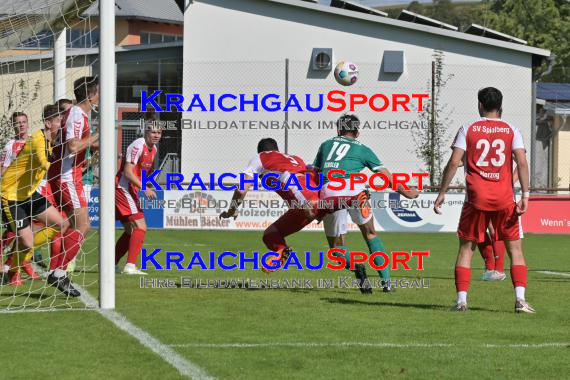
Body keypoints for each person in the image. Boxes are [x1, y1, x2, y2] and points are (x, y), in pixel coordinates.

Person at [434, 87, 534, 313]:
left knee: (466, 249)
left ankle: (461, 301)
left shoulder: (467, 128)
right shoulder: (512, 129)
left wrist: (442, 192)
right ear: (501, 107)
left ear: (480, 105)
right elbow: (522, 163)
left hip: (475, 199)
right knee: (515, 250)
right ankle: (520, 300)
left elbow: (453, 163)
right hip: (505, 198)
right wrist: (526, 195)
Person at [313, 114, 419, 293]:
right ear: (357, 132)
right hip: (356, 189)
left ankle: (357, 266)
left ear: (338, 130)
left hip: (331, 191)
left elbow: (314, 175)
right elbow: (385, 175)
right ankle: (387, 283)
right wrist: (407, 192)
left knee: (336, 248)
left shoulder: (325, 145)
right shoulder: (363, 149)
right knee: (370, 234)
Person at [0, 104, 80, 296]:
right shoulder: (37, 140)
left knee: (62, 224)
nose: (64, 126)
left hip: (29, 193)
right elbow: (46, 163)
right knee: (25, 241)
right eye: (61, 122)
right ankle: (13, 266)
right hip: (11, 196)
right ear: (48, 123)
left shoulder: (51, 140)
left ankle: (16, 265)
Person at [219, 138, 326, 274]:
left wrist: (231, 210)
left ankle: (355, 199)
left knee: (316, 209)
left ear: (260, 151)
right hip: (302, 201)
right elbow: (314, 171)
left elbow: (241, 189)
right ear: (277, 150)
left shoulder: (260, 158)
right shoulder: (295, 158)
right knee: (270, 235)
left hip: (301, 190)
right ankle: (282, 250)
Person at [47, 77, 100, 274]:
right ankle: (58, 272)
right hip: (68, 177)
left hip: (66, 175)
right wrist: (98, 134)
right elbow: (74, 145)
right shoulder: (77, 115)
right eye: (98, 92)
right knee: (83, 225)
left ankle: (57, 270)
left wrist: (97, 144)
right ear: (91, 95)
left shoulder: (76, 114)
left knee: (68, 224)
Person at [115, 127, 162, 274]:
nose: (156, 135)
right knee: (140, 226)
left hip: (130, 189)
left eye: (159, 133)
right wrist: (144, 188)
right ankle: (130, 266)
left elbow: (141, 172)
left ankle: (111, 263)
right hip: (122, 188)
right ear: (146, 132)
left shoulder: (153, 149)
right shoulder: (138, 145)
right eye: (153, 132)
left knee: (130, 230)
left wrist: (146, 184)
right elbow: (128, 172)